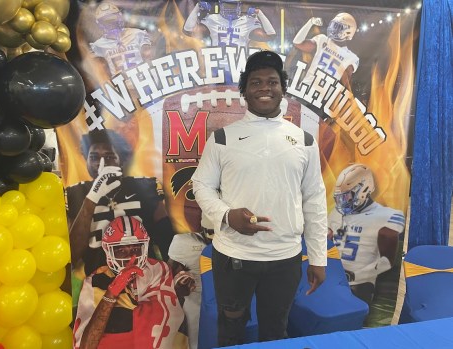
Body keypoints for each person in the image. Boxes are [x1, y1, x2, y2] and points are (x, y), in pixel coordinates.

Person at [191, 50, 328, 346]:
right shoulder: (223, 138)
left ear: (282, 88)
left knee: (275, 331)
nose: (265, 88)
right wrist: (228, 215)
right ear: (245, 91)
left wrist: (318, 257)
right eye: (256, 82)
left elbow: (314, 199)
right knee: (230, 329)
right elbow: (201, 184)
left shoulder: (304, 140)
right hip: (233, 256)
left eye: (272, 81)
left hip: (285, 258)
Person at [66, 129, 175, 276]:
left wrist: (173, 276)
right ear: (86, 161)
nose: (102, 163)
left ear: (121, 160)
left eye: (109, 156)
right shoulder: (75, 192)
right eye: (94, 157)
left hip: (144, 280)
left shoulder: (145, 186)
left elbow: (166, 239)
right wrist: (92, 197)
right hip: (98, 284)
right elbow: (72, 254)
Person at [73, 216, 192, 349]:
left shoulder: (159, 270)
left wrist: (178, 289)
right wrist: (112, 292)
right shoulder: (95, 281)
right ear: (108, 251)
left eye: (136, 249)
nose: (131, 257)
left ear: (145, 247)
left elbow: (171, 311)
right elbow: (86, 346)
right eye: (121, 251)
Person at [327, 163, 406, 305]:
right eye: (339, 198)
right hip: (331, 279)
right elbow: (326, 242)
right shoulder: (335, 213)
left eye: (346, 197)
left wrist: (359, 275)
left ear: (364, 188)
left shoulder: (386, 215)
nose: (342, 203)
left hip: (359, 285)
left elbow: (387, 261)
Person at [288, 13, 359, 141]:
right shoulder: (322, 39)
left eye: (339, 27)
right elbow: (297, 43)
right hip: (304, 91)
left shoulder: (352, 58)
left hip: (321, 100)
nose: (334, 29)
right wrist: (310, 23)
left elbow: (346, 85)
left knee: (308, 138)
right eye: (334, 25)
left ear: (348, 32)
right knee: (289, 129)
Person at [183, 0, 276, 82]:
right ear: (221, 4)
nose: (230, 8)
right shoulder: (213, 19)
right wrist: (197, 8)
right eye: (227, 5)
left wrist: (259, 13)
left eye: (233, 5)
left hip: (239, 69)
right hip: (216, 69)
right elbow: (188, 30)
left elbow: (270, 34)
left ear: (239, 5)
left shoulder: (247, 21)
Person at [167, 214, 214, 349]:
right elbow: (169, 273)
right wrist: (178, 283)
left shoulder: (235, 240)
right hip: (195, 298)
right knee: (195, 342)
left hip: (226, 296)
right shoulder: (183, 242)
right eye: (212, 232)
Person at [89, 2, 153, 77]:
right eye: (107, 22)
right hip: (120, 85)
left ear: (120, 16)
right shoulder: (97, 45)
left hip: (142, 79)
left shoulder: (137, 34)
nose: (112, 24)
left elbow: (150, 57)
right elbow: (97, 71)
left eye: (113, 20)